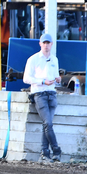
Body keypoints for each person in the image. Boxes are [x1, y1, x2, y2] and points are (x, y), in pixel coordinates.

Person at [23, 33, 62, 162]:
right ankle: (56, 150)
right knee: (48, 123)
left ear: (51, 44)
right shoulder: (33, 59)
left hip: (52, 94)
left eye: (48, 43)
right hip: (39, 94)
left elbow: (56, 77)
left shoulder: (54, 59)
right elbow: (26, 78)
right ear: (40, 44)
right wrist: (42, 81)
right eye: (44, 43)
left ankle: (45, 152)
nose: (46, 45)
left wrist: (58, 79)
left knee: (47, 125)